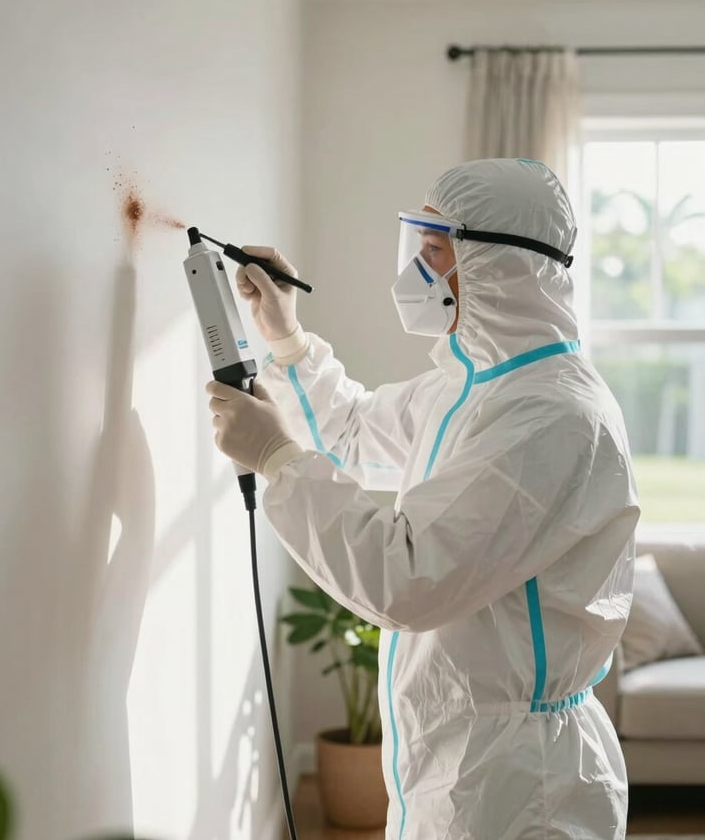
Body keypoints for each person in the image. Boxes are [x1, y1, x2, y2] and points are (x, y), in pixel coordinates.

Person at [206, 158, 639, 840]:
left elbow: (406, 581)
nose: (416, 273)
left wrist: (279, 462)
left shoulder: (551, 418)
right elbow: (352, 430)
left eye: (435, 252)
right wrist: (286, 338)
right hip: (463, 761)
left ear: (496, 265)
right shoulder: (477, 387)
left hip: (523, 787)